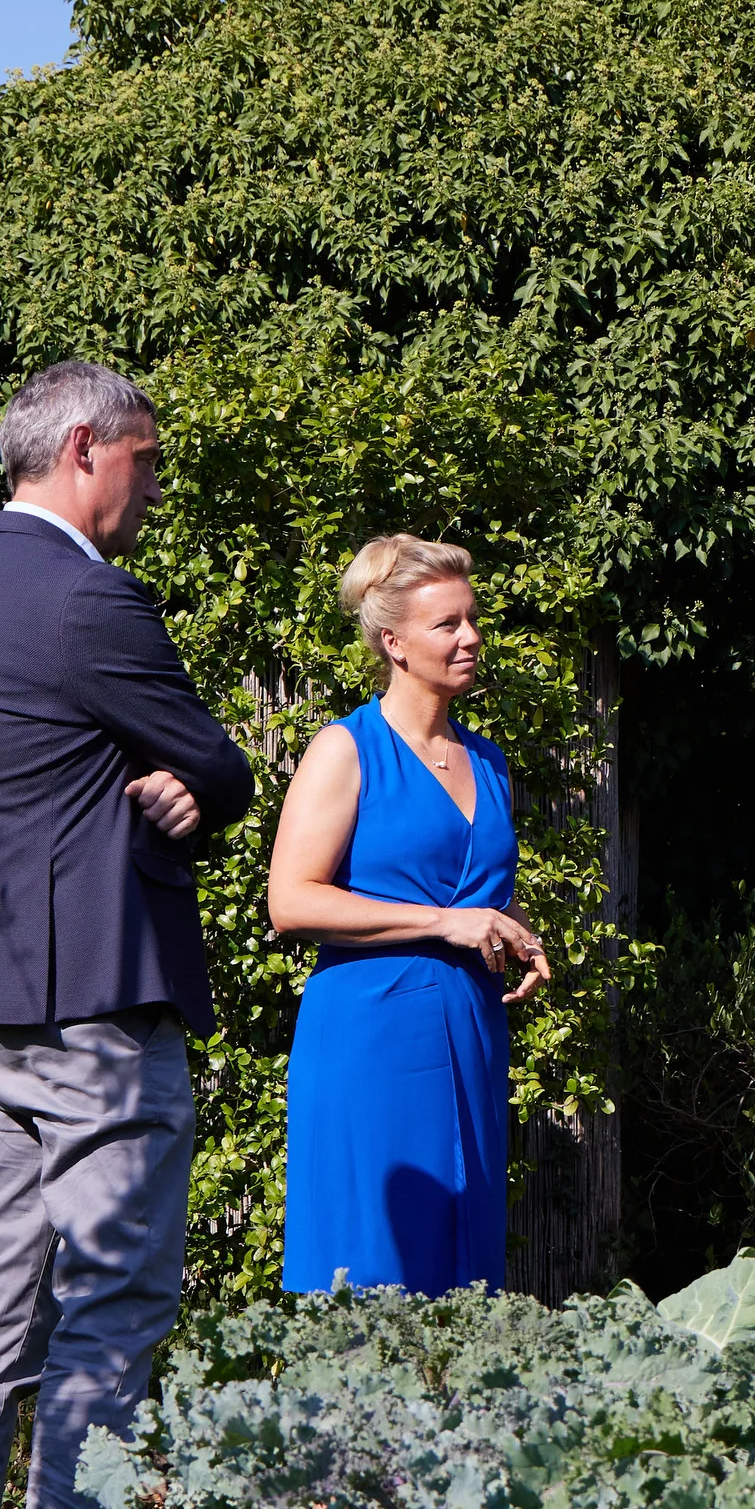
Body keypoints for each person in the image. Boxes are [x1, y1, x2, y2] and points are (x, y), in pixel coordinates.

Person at [0, 363, 256, 1509]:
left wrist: (155, 780)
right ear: (82, 448)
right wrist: (189, 784)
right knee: (111, 1309)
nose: (152, 487)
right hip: (102, 1000)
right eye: (146, 460)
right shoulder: (89, 598)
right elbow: (216, 759)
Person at [267, 536, 551, 1293]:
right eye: (447, 625)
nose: (471, 637)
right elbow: (291, 902)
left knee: (463, 1262)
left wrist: (515, 931)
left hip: (471, 1030)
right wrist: (445, 923)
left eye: (471, 619)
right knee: (374, 1265)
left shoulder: (486, 760)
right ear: (392, 642)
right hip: (371, 1034)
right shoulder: (345, 750)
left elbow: (477, 888)